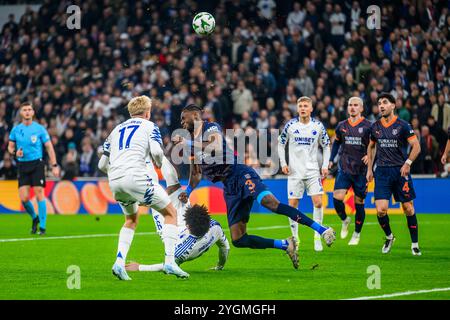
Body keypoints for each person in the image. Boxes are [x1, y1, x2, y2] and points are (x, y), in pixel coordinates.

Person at [173, 104, 336, 270]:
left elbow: (214, 146)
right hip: (229, 188)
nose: (181, 123)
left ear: (194, 115)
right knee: (238, 239)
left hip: (240, 174)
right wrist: (188, 191)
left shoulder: (210, 127)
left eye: (183, 118)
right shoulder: (191, 142)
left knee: (270, 203)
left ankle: (322, 229)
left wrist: (187, 142)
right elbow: (196, 173)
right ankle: (286, 244)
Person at [98, 95, 189, 280]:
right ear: (147, 113)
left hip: (115, 180)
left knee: (131, 219)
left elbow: (101, 164)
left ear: (131, 113)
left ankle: (118, 262)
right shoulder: (150, 126)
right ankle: (170, 263)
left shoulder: (115, 130)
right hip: (136, 177)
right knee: (171, 214)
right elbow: (156, 151)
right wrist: (157, 163)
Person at [366, 93, 422, 256]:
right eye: (379, 103)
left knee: (408, 208)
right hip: (382, 171)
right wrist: (370, 169)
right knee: (381, 210)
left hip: (400, 171)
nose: (381, 106)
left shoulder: (403, 125)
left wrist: (408, 163)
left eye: (385, 103)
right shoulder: (375, 126)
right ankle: (390, 237)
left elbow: (416, 146)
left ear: (393, 105)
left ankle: (415, 244)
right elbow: (371, 147)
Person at [278, 96, 331, 251]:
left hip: (312, 170)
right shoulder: (291, 126)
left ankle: (317, 236)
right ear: (297, 108)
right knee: (293, 206)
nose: (302, 108)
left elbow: (327, 146)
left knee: (318, 202)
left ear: (311, 108)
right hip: (294, 171)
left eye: (305, 105)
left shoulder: (318, 126)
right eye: (300, 105)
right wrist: (284, 163)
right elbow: (281, 145)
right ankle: (295, 238)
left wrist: (325, 165)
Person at [126, 202, 229, 273]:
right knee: (180, 207)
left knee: (159, 213)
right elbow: (225, 248)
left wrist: (139, 267)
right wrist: (220, 266)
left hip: (174, 238)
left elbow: (167, 265)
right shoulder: (215, 226)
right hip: (188, 233)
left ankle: (152, 200)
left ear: (188, 226)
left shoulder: (180, 251)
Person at [7, 102, 60, 235]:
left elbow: (49, 147)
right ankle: (34, 218)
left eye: (29, 109)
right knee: (24, 198)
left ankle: (42, 226)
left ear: (33, 112)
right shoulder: (16, 130)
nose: (27, 112)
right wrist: (14, 153)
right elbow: (10, 147)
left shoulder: (40, 129)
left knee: (39, 192)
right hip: (22, 165)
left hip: (37, 163)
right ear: (21, 113)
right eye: (24, 110)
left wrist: (54, 165)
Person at [329, 97, 371, 245]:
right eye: (350, 105)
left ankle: (357, 234)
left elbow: (374, 146)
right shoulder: (341, 126)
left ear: (361, 108)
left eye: (355, 105)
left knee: (359, 201)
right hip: (345, 168)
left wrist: (369, 156)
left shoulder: (368, 126)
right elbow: (336, 143)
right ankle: (345, 219)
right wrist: (331, 159)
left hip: (361, 171)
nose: (352, 108)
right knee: (337, 197)